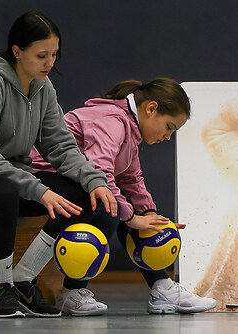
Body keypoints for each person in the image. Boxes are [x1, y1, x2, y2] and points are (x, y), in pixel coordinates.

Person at [0, 11, 118, 318]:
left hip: (12, 177)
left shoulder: (43, 88)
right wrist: (39, 191)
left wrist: (94, 180)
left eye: (55, 54)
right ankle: (0, 290)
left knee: (83, 196)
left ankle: (23, 279)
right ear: (17, 51)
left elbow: (60, 146)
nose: (50, 63)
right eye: (42, 55)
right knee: (5, 192)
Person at [14, 77, 217, 315]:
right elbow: (100, 174)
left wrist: (149, 215)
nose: (168, 137)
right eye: (169, 127)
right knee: (109, 207)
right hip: (35, 179)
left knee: (129, 209)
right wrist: (132, 219)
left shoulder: (129, 127)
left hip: (70, 184)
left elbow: (131, 180)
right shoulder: (112, 121)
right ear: (151, 109)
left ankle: (162, 287)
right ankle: (71, 291)